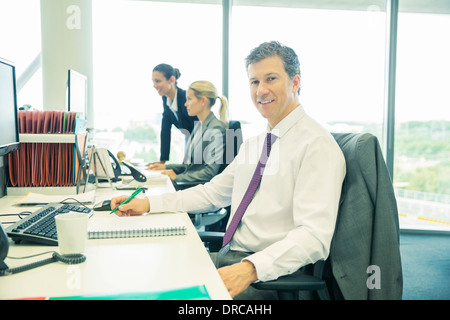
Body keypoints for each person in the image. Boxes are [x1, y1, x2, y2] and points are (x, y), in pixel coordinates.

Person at [111, 41, 346, 299]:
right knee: (145, 275)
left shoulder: (316, 146)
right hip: (231, 258)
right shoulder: (256, 144)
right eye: (254, 82)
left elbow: (314, 237)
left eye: (271, 78)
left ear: (295, 82)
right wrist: (148, 204)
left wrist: (249, 270)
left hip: (268, 279)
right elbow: (213, 193)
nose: (261, 90)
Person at [148, 80, 228, 183]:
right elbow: (190, 166)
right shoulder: (199, 125)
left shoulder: (215, 128)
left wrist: (176, 178)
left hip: (200, 189)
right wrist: (165, 166)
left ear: (203, 101)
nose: (185, 104)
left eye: (189, 99)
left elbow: (209, 172)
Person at [150, 63, 197, 164]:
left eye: (157, 81)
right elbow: (165, 129)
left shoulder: (186, 98)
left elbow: (199, 128)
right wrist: (162, 160)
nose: (154, 85)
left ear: (171, 80)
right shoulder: (166, 99)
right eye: (153, 82)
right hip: (190, 142)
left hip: (201, 145)